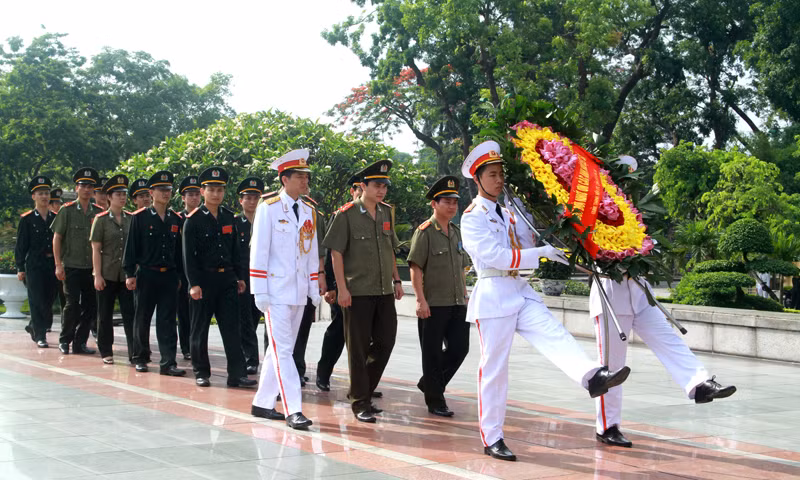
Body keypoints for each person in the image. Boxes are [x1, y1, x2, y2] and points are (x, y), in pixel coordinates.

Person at [459, 141, 631, 461]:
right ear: (478, 179)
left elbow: (526, 255)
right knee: (495, 369)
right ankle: (492, 436)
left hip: (520, 290)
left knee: (555, 333)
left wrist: (535, 226)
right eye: (492, 175)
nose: (499, 180)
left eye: (501, 174)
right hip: (493, 294)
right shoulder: (473, 217)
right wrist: (537, 253)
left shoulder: (511, 215)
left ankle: (593, 376)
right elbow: (494, 256)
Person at [323, 160, 404, 423]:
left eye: (384, 186)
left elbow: (390, 249)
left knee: (385, 342)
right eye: (376, 185)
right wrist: (341, 289)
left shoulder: (385, 213)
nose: (381, 191)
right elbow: (336, 254)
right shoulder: (345, 214)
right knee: (357, 349)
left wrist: (397, 280)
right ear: (363, 186)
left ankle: (362, 392)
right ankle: (360, 402)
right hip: (356, 292)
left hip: (383, 292)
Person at [249, 149, 321, 430]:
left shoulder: (308, 210)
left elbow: (311, 253)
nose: (305, 182)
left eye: (306, 177)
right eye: (300, 177)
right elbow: (259, 251)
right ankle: (294, 408)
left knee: (281, 349)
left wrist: (314, 287)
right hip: (275, 291)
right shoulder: (268, 207)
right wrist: (260, 290)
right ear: (285, 178)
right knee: (283, 352)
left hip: (299, 291)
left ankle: (262, 402)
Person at [183, 166, 256, 389]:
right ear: (203, 192)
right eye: (212, 190)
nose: (216, 194)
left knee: (231, 329)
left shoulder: (228, 217)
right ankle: (201, 372)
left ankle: (237, 374)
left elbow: (234, 250)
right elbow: (188, 257)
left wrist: (239, 277)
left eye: (220, 190)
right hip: (204, 281)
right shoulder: (193, 220)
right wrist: (193, 284)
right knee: (200, 328)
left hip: (227, 281)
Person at [407, 175, 471, 417]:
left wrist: (464, 295)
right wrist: (420, 300)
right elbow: (415, 267)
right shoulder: (424, 232)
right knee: (432, 353)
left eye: (455, 202)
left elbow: (461, 267)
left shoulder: (455, 232)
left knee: (460, 349)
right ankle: (435, 401)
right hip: (433, 304)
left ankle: (430, 383)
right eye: (446, 202)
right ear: (434, 204)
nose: (452, 206)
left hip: (456, 302)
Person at [123, 170, 185, 377]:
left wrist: (179, 276)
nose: (165, 193)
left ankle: (168, 362)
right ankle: (140, 357)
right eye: (161, 190)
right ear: (151, 193)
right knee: (142, 317)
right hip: (146, 274)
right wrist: (129, 274)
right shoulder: (140, 217)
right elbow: (131, 247)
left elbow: (178, 252)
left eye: (168, 190)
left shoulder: (175, 219)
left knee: (168, 320)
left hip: (168, 275)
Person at [315, 174, 363, 392]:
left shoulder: (380, 214)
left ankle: (364, 382)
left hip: (368, 287)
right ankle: (323, 373)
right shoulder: (340, 215)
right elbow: (331, 252)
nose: (362, 193)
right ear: (352, 191)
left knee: (366, 337)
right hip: (345, 286)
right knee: (338, 331)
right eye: (358, 189)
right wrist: (332, 286)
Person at [51, 167, 104, 355]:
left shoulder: (98, 212)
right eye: (83, 185)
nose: (87, 189)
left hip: (91, 268)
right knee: (71, 305)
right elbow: (57, 238)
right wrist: (58, 264)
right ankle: (65, 340)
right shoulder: (67, 211)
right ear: (76, 188)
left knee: (91, 307)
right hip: (71, 266)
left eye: (90, 186)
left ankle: (80, 343)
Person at [90, 175, 135, 365]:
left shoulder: (132, 219)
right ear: (109, 197)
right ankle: (106, 351)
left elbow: (135, 249)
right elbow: (96, 249)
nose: (122, 198)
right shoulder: (100, 220)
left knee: (130, 315)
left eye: (124, 194)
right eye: (118, 194)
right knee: (105, 315)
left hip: (126, 275)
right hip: (107, 273)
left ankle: (135, 352)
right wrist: (97, 275)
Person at [15, 175, 59, 348]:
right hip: (34, 264)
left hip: (52, 264)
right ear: (34, 196)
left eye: (47, 193)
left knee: (49, 299)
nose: (44, 196)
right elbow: (21, 245)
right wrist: (20, 267)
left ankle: (33, 326)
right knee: (36, 299)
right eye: (40, 193)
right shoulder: (27, 219)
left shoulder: (55, 217)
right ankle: (40, 335)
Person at [291, 192, 326, 387]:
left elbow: (319, 250)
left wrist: (320, 276)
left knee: (303, 328)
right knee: (279, 335)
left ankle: (297, 368)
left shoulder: (313, 214)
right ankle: (280, 372)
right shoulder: (270, 209)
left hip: (306, 281)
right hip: (282, 283)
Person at [235, 176, 265, 375]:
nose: (252, 202)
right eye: (248, 198)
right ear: (241, 200)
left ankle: (250, 353)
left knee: (256, 318)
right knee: (245, 319)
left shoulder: (266, 220)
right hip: (243, 278)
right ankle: (250, 358)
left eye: (256, 197)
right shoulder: (235, 222)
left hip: (262, 278)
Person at [176, 175, 202, 360]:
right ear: (183, 198)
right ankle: (186, 347)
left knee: (199, 313)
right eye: (190, 194)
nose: (194, 198)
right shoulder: (176, 219)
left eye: (196, 194)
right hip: (180, 273)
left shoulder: (205, 216)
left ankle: (198, 346)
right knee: (184, 313)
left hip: (200, 272)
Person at [49, 187, 65, 332]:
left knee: (63, 297)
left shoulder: (62, 217)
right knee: (47, 296)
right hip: (46, 263)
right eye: (55, 203)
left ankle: (64, 325)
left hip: (60, 262)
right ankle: (41, 325)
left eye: (60, 203)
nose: (58, 206)